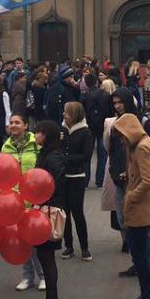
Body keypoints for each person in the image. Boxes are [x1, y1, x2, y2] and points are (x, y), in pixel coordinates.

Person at [113, 113, 150, 299]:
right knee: (139, 253)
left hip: (139, 209)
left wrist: (131, 195)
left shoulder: (141, 148)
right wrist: (130, 176)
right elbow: (141, 174)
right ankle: (145, 295)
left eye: (122, 135)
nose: (122, 140)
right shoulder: (144, 142)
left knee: (139, 256)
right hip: (140, 207)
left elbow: (148, 181)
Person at [1, 114, 43, 292]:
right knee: (21, 241)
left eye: (17, 122)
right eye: (11, 123)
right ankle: (27, 276)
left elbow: (42, 171)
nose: (13, 125)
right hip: (14, 201)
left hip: (33, 199)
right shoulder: (6, 147)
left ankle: (42, 276)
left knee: (35, 240)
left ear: (26, 125)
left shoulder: (35, 145)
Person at [28, 120, 65, 299]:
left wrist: (38, 198)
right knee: (45, 257)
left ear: (47, 135)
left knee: (47, 257)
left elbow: (53, 185)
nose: (35, 135)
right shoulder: (47, 153)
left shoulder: (53, 157)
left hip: (48, 212)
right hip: (43, 209)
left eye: (39, 132)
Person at [59, 102, 93, 261]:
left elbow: (85, 156)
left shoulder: (85, 132)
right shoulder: (63, 130)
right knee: (64, 213)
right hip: (62, 176)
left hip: (77, 177)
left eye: (66, 113)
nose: (64, 115)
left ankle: (84, 247)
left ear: (75, 115)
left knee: (77, 212)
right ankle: (69, 246)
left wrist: (66, 159)